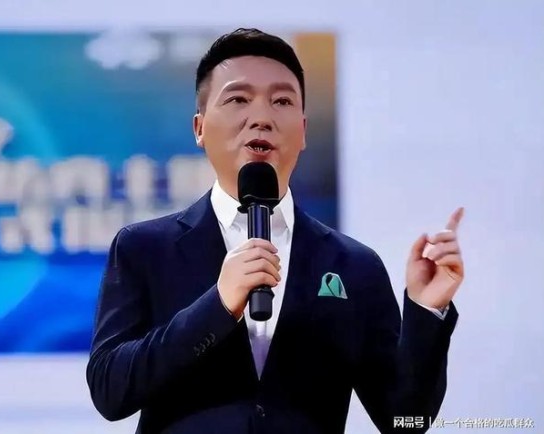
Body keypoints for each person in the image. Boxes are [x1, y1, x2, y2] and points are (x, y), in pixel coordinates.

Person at [86, 28, 464, 434]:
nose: (262, 118)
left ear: (302, 130)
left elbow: (405, 421)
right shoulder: (144, 248)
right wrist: (218, 305)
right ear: (199, 127)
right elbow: (110, 391)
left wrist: (427, 311)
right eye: (238, 99)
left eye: (281, 101)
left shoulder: (354, 265)